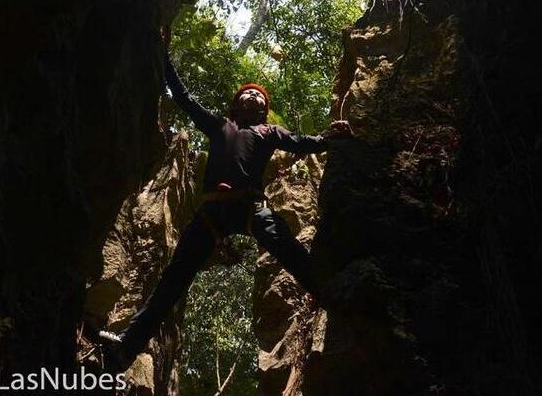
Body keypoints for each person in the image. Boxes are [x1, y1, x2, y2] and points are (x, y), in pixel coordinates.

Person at [98, 49, 352, 371]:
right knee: (174, 279)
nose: (252, 96)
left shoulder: (269, 132)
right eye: (247, 93)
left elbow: (300, 143)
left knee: (289, 249)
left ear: (264, 110)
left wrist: (331, 140)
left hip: (250, 205)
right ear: (235, 105)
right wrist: (163, 62)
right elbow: (185, 99)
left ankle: (333, 297)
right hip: (212, 212)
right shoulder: (219, 126)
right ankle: (127, 347)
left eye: (259, 96)